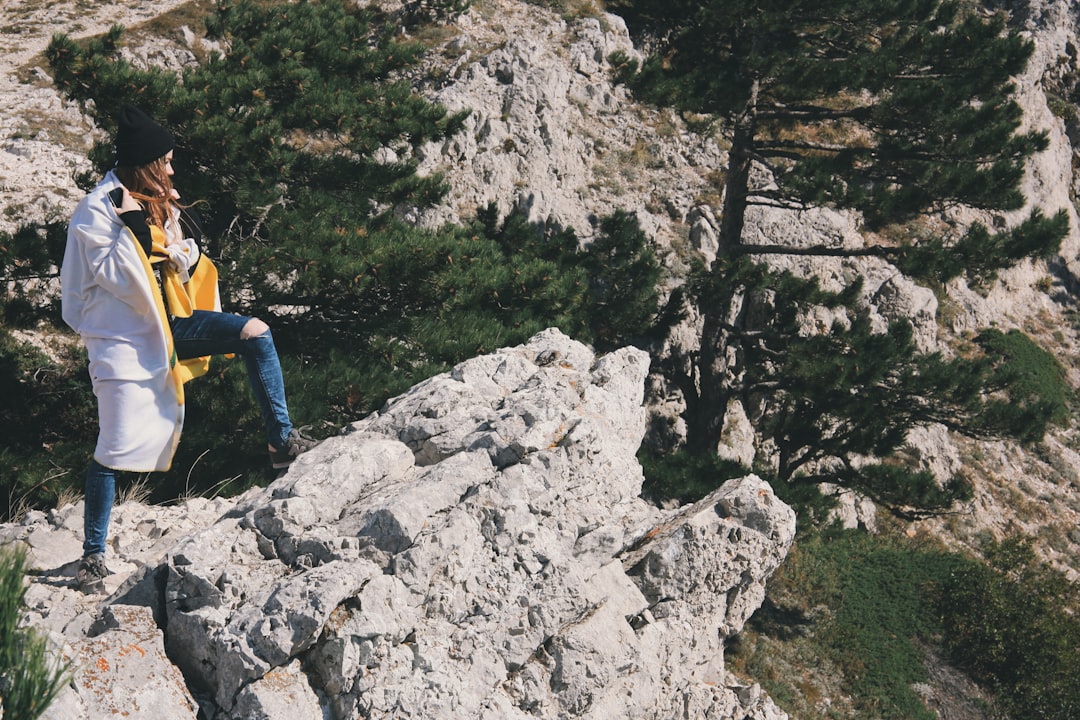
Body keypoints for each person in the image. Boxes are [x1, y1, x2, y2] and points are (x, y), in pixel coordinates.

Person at [61, 104, 316, 593]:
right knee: (113, 447)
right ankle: (92, 556)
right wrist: (138, 229)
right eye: (167, 161)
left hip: (170, 321)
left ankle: (281, 442)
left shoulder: (156, 201)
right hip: (125, 337)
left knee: (256, 333)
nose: (174, 170)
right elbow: (117, 277)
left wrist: (168, 236)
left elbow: (181, 258)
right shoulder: (98, 210)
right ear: (147, 163)